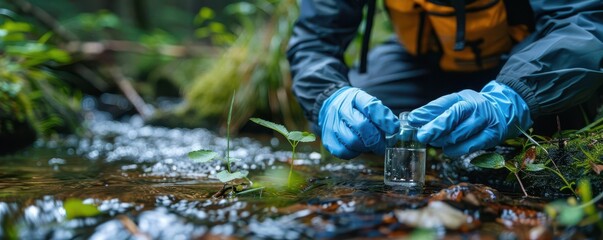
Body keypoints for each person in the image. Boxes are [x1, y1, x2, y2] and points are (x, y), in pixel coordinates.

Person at [286, 0, 603, 160]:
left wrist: (516, 95)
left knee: (563, 117)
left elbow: (585, 22)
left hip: (521, 59)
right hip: (423, 58)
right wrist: (329, 95)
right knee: (354, 120)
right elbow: (315, 40)